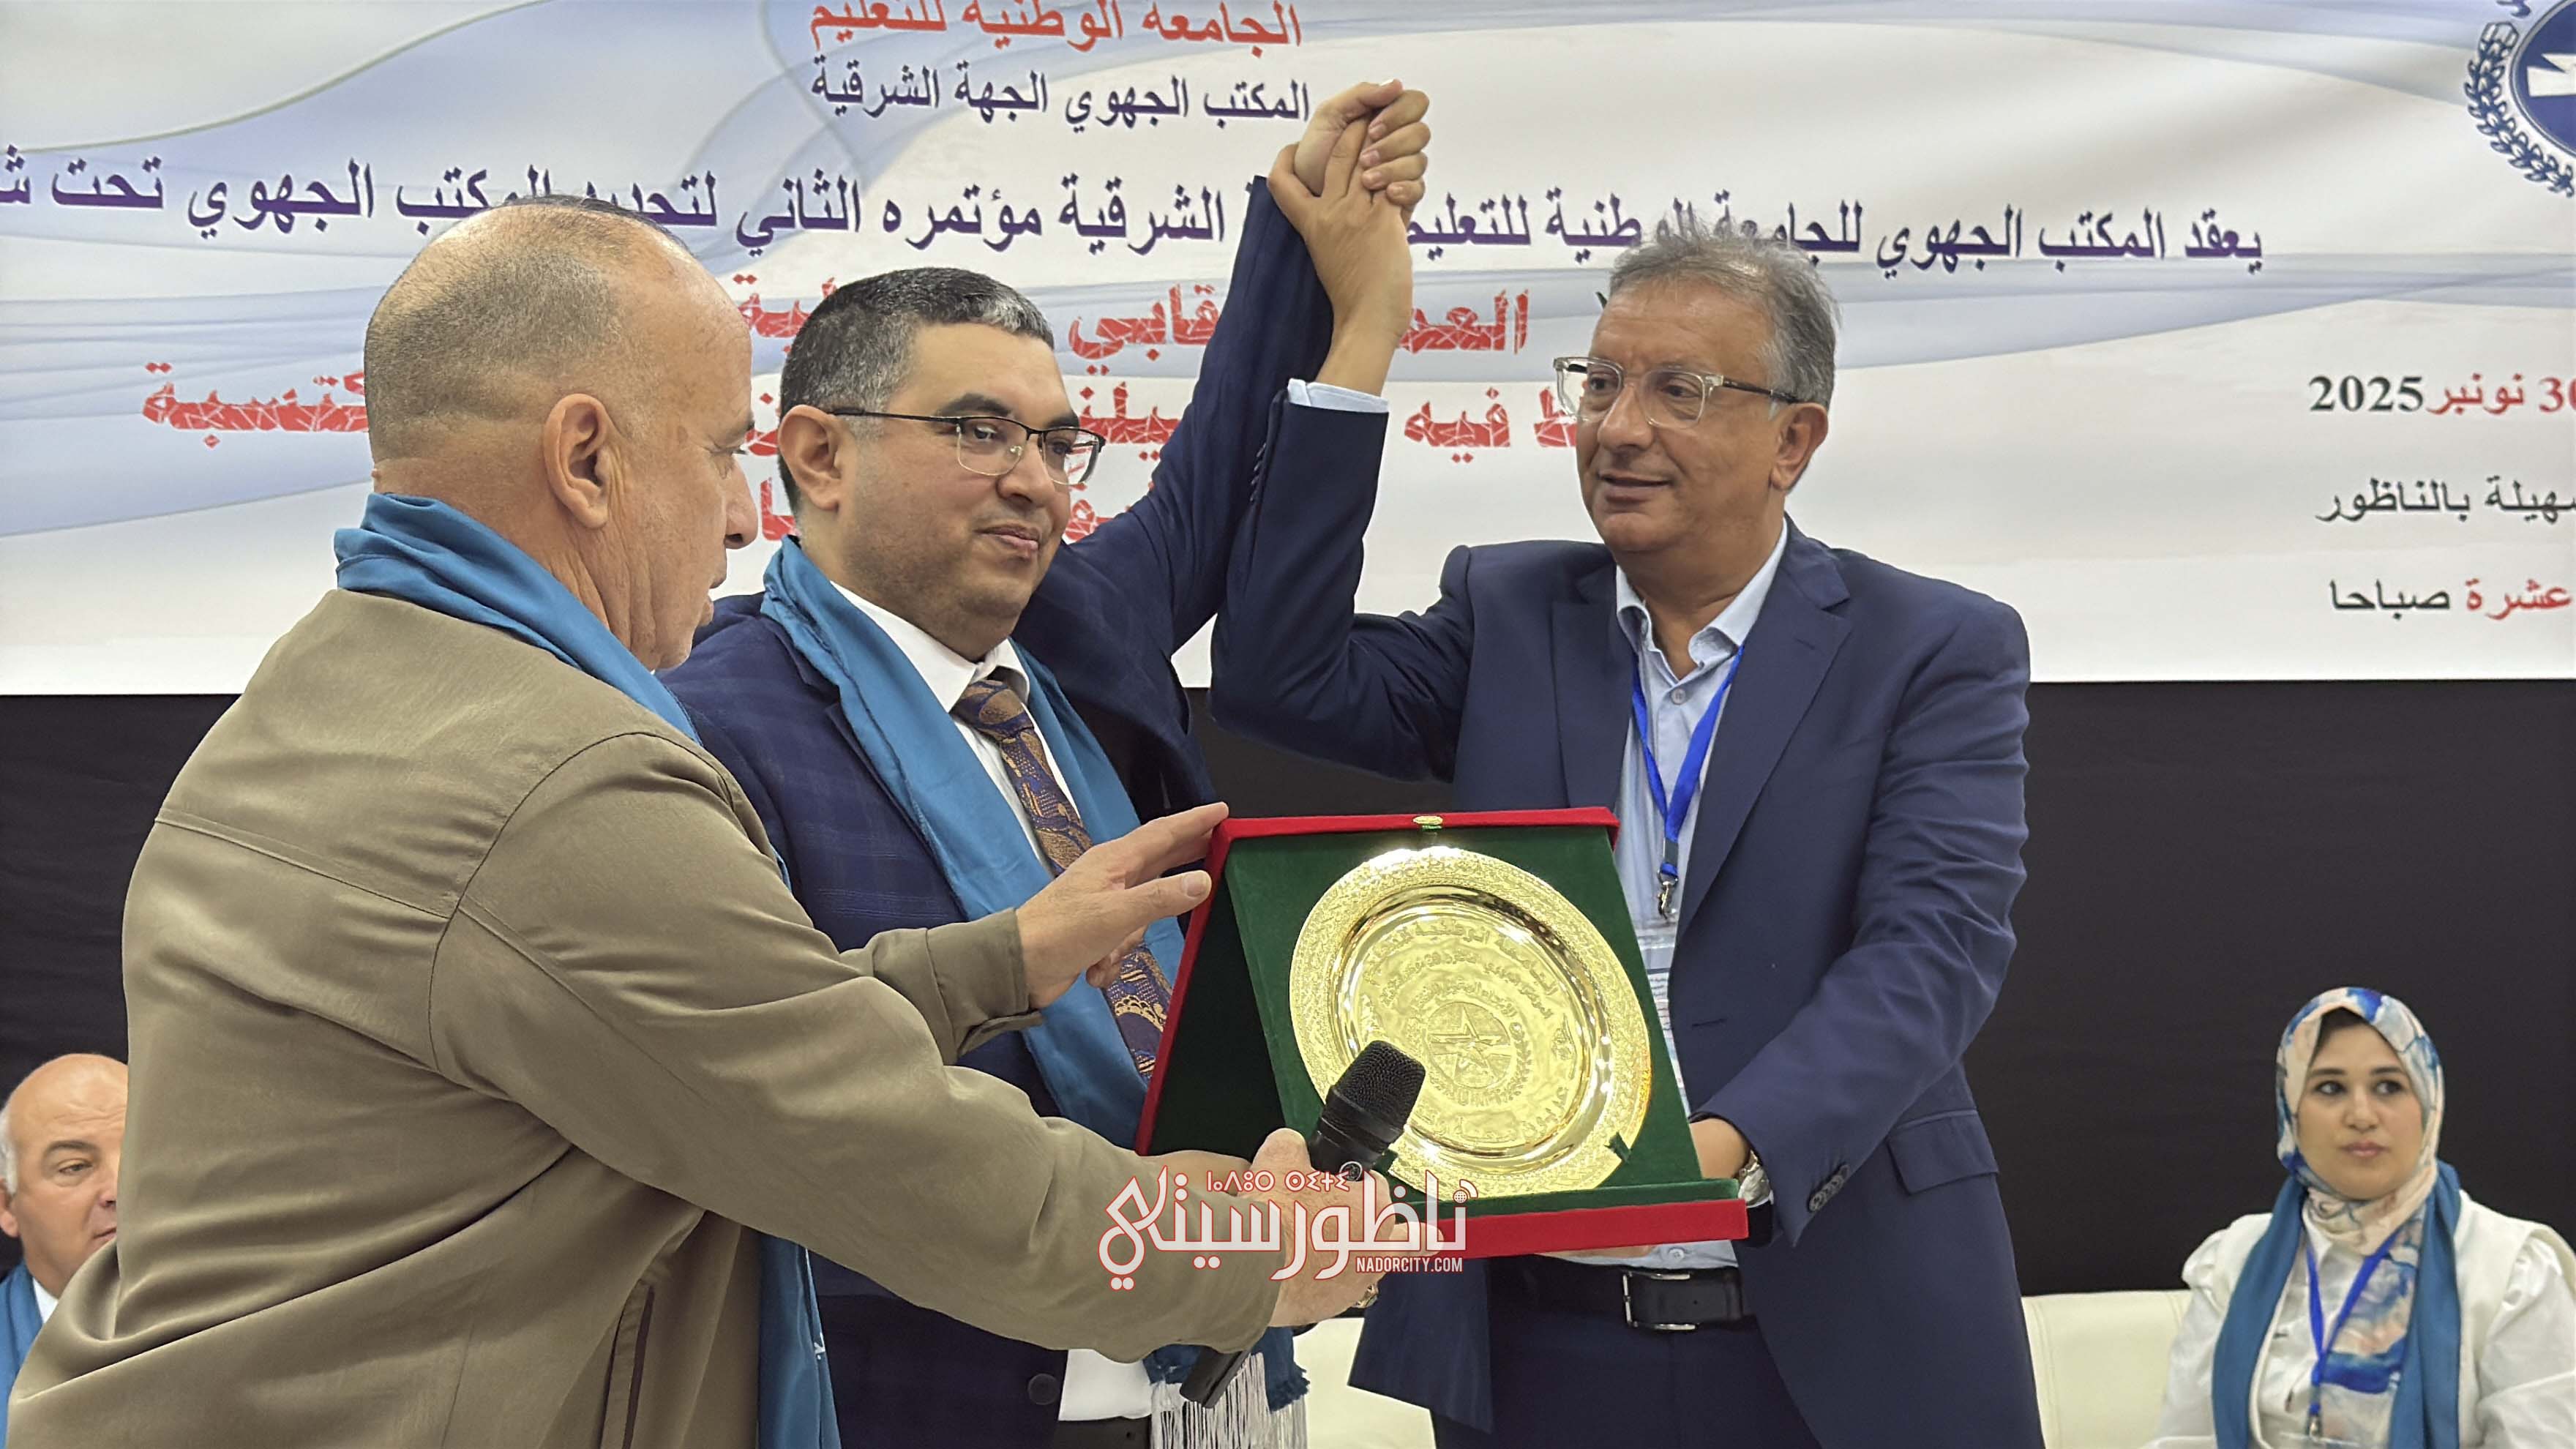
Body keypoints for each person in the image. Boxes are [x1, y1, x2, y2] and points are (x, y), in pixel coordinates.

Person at [5, 195, 1389, 1449]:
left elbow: (695, 1030)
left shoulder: (339, 680)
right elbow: (889, 1153)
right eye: (724, 451)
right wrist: (1253, 1253)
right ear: (586, 459)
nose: (741, 515)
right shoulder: (558, 776)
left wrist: (997, 962)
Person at [662, 80, 1426, 1449]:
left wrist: (1301, 225)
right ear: (818, 455)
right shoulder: (711, 727)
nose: (1037, 480)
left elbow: (1213, 473)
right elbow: (776, 1117)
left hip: (1217, 1388)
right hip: (933, 1402)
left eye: (1058, 442)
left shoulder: (1077, 629)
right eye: (978, 432)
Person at [1206, 216, 2045, 1446]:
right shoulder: (1508, 610)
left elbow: (1935, 951)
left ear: (1793, 440)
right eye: (1600, 383)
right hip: (1541, 1341)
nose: (1619, 426)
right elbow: (1276, 677)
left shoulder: (1927, 647)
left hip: (1836, 1332)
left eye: (1678, 391)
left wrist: (1712, 1151)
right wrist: (1359, 354)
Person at [2147, 988, 2575, 1448]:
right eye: (2330, 1088)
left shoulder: (2510, 1268)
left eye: (2388, 1086)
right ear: (2293, 1110)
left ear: (2428, 1102)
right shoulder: (2234, 1259)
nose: (2361, 1115)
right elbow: (2188, 1439)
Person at [0, 1055, 125, 1447]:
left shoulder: (255, 1332)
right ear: (6, 1205)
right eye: (75, 1167)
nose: (120, 1190)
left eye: (142, 1154)